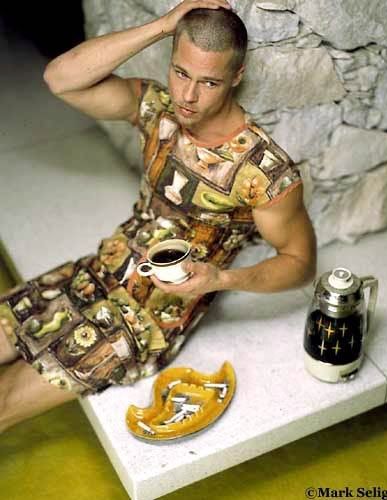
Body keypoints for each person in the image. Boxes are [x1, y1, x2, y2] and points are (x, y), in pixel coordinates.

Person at [0, 0, 316, 432]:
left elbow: (300, 263)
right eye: (181, 73)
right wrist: (164, 25)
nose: (188, 96)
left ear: (236, 77)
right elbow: (60, 78)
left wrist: (221, 279)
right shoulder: (156, 106)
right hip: (99, 269)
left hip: (148, 316)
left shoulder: (265, 172)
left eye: (208, 82)